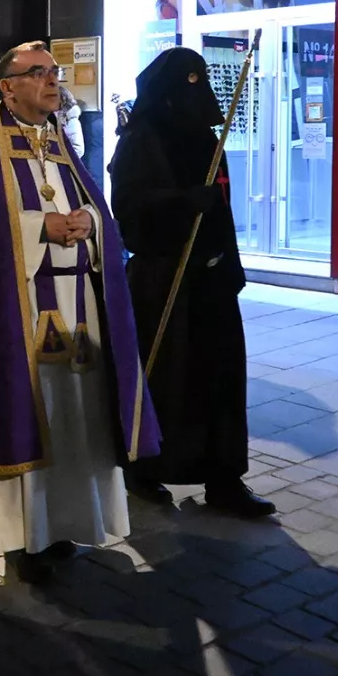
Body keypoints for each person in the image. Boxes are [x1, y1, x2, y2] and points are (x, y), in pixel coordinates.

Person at [0, 41, 160, 585]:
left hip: (79, 307)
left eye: (54, 72)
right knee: (25, 417)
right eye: (38, 73)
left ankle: (66, 525)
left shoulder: (57, 140)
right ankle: (22, 543)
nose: (53, 81)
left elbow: (98, 210)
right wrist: (38, 228)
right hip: (18, 311)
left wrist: (89, 224)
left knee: (77, 418)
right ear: (7, 86)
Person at [109, 47, 275, 518]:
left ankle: (225, 478)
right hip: (164, 277)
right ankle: (145, 467)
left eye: (200, 78)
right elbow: (128, 205)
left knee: (221, 378)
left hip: (211, 276)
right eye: (185, 80)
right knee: (167, 378)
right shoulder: (140, 138)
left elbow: (223, 208)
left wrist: (229, 265)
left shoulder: (207, 138)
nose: (194, 89)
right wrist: (182, 202)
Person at [56, 85, 86, 161]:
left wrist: (62, 161)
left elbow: (78, 149)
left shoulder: (71, 120)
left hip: (63, 162)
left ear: (62, 99)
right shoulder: (48, 115)